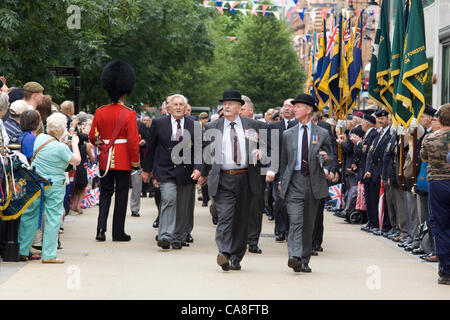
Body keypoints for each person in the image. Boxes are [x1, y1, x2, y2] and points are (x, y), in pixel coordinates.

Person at [199, 89, 266, 271]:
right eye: (225, 103)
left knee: (241, 220)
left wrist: (262, 154)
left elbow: (267, 149)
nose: (227, 106)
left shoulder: (253, 125)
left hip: (246, 177)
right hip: (223, 178)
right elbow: (205, 152)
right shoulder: (213, 127)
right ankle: (224, 252)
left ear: (240, 107)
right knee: (225, 217)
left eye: (231, 103)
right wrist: (202, 173)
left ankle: (236, 256)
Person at [273, 93, 332, 273]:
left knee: (308, 224)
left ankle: (304, 259)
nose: (293, 109)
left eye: (297, 106)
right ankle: (295, 256)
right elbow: (284, 161)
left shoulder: (322, 133)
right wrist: (281, 180)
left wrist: (326, 159)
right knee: (296, 221)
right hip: (294, 181)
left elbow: (331, 157)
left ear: (307, 110)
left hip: (314, 181)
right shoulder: (288, 134)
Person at [18, 112, 81, 263]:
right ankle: (49, 254)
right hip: (54, 185)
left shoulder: (40, 139)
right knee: (53, 218)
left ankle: (22, 249)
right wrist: (74, 144)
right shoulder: (61, 148)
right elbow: (76, 161)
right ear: (62, 130)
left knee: (30, 215)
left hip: (36, 182)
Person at [89, 60, 141, 242]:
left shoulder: (100, 111)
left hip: (105, 158)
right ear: (125, 91)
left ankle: (101, 230)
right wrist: (136, 162)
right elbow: (133, 141)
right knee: (121, 196)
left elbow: (92, 137)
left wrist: (103, 145)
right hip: (123, 160)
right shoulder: (129, 114)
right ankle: (118, 232)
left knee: (105, 194)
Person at [142, 94, 201, 250]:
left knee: (182, 205)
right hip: (165, 169)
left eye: (181, 104)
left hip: (186, 170)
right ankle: (165, 235)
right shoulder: (158, 123)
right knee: (168, 199)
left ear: (186, 108)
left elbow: (199, 149)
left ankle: (178, 237)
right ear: (169, 107)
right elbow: (151, 147)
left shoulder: (193, 124)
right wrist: (147, 170)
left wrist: (198, 168)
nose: (178, 107)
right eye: (175, 104)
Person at [420, 103, 450, 285]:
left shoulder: (430, 139)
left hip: (438, 184)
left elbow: (424, 157)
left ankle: (446, 270)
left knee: (441, 226)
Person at [268, 99, 298, 242]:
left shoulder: (300, 126)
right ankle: (280, 229)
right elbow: (269, 148)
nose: (286, 108)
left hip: (296, 171)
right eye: (284, 106)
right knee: (280, 201)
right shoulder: (274, 127)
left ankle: (291, 230)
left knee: (292, 202)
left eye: (290, 106)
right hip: (278, 170)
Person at [363, 109, 392, 235]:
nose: (380, 121)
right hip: (372, 172)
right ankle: (373, 222)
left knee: (378, 201)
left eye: (383, 118)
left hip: (380, 172)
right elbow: (371, 152)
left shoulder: (389, 133)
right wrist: (368, 170)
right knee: (371, 200)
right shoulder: (380, 133)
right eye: (379, 119)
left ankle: (378, 224)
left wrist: (378, 172)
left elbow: (384, 155)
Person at [351, 112, 378, 232]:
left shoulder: (372, 134)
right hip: (364, 170)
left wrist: (359, 143)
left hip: (369, 172)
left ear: (367, 123)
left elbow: (367, 151)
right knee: (368, 199)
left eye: (362, 122)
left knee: (372, 199)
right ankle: (371, 222)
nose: (361, 125)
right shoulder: (368, 134)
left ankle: (374, 222)